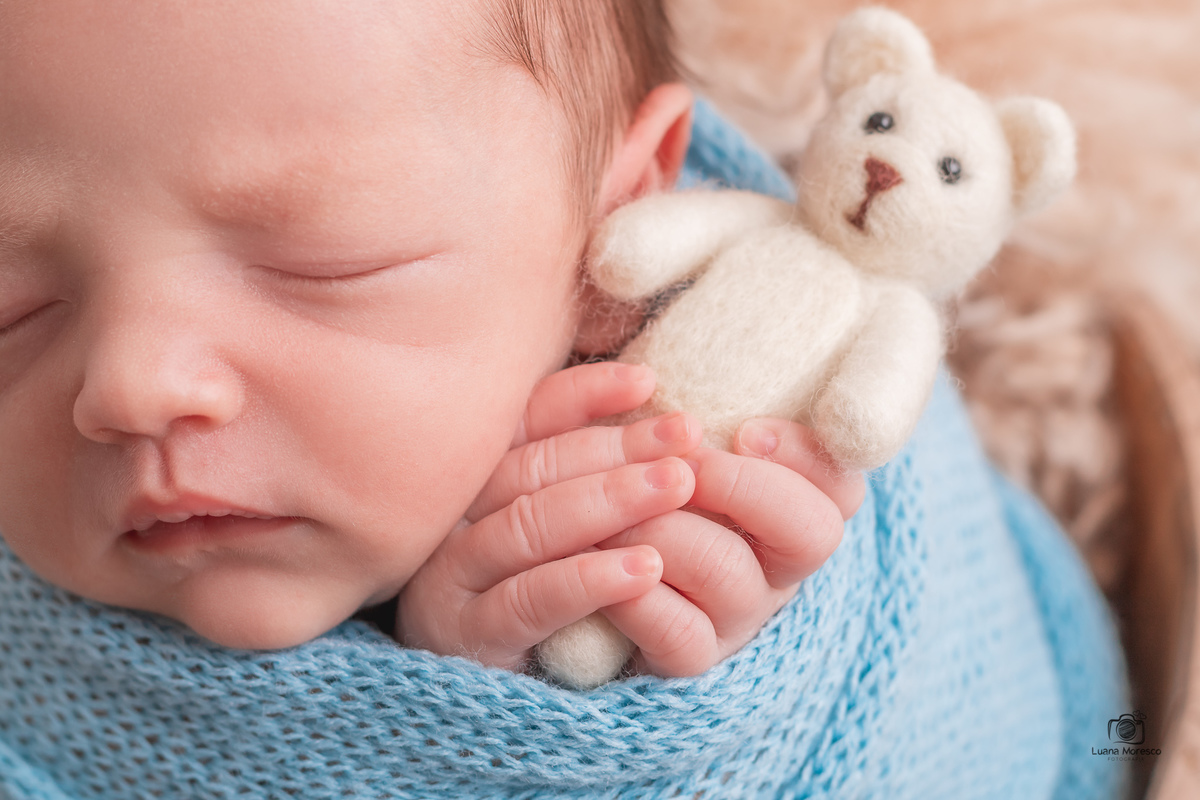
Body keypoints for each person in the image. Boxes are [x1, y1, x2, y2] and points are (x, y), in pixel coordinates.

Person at [0, 1, 1126, 798]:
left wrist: (689, 670)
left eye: (319, 260)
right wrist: (444, 692)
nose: (129, 386)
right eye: (11, 308)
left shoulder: (767, 363)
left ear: (609, 227)